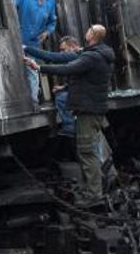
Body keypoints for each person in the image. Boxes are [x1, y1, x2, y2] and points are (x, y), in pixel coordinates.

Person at [32, 25, 114, 205]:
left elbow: (67, 69)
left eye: (89, 29)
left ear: (92, 35)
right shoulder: (95, 53)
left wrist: (39, 68)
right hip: (91, 109)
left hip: (88, 110)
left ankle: (94, 195)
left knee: (86, 151)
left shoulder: (91, 56)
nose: (86, 30)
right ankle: (95, 187)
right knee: (89, 149)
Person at [14, 0, 57, 106]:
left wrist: (47, 32)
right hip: (16, 39)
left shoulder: (50, 0)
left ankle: (33, 101)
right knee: (16, 70)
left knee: (32, 71)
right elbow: (10, 9)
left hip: (34, 44)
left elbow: (52, 21)